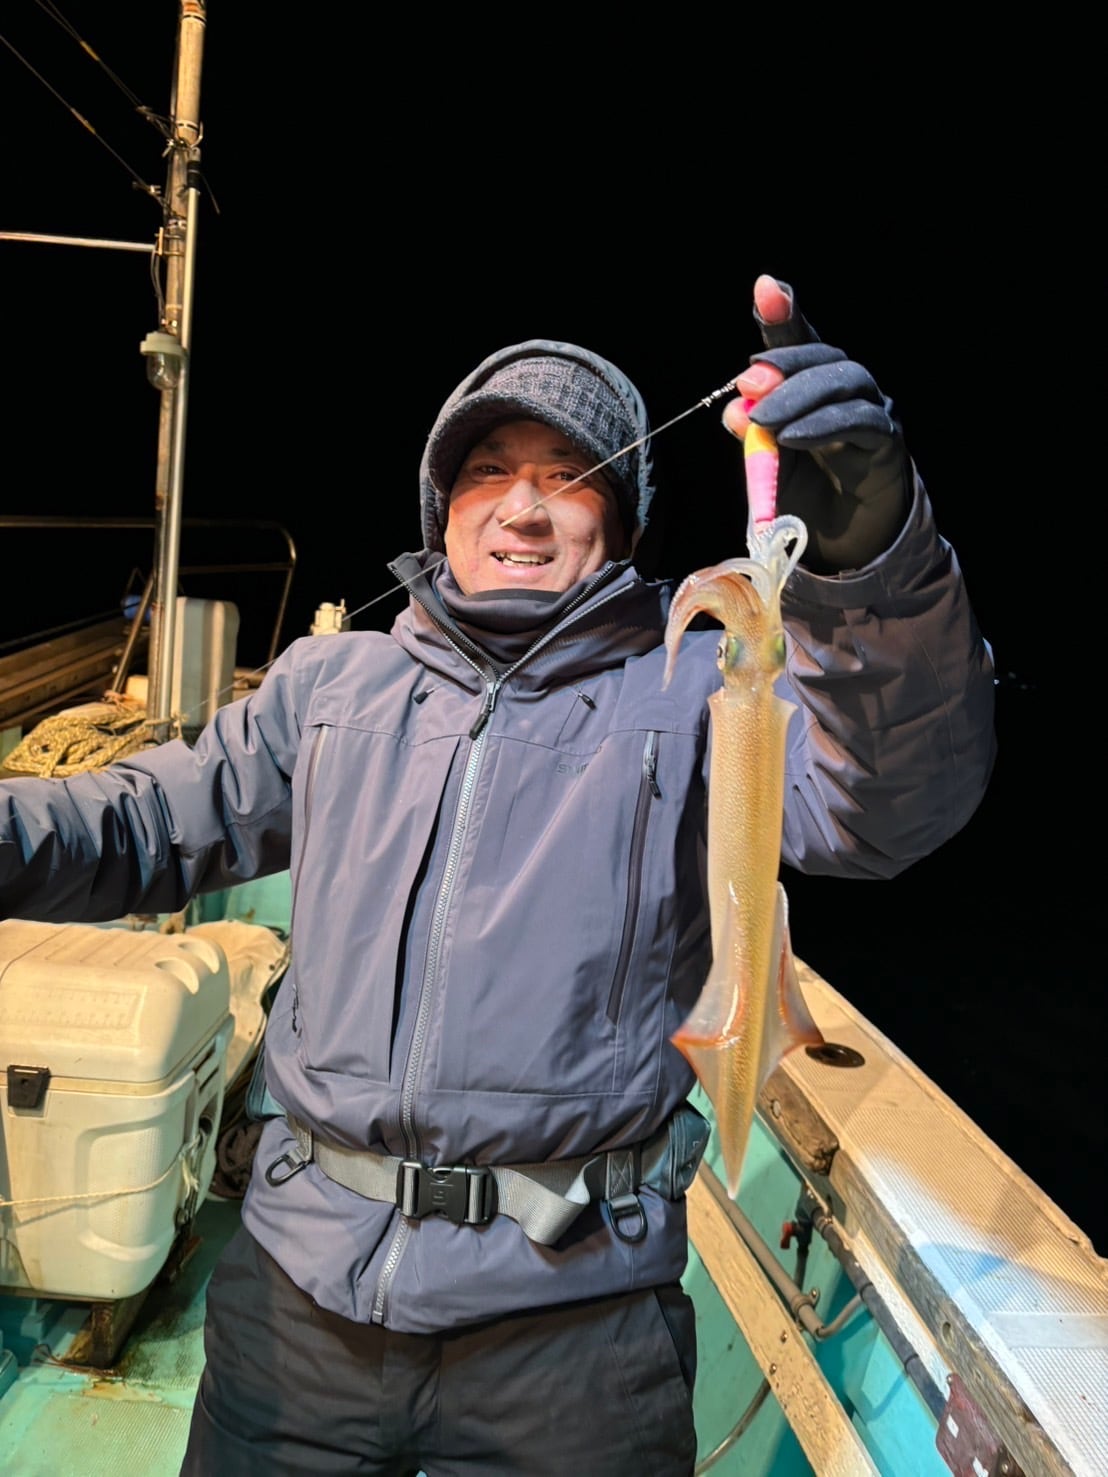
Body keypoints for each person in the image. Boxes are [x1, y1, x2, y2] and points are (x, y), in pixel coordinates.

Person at [0, 275, 997, 1475]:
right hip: (298, 1310)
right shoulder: (334, 685)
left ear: (620, 520)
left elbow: (889, 803)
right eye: (488, 470)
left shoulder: (698, 692)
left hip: (575, 1332)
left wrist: (876, 563)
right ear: (443, 509)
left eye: (568, 474)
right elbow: (139, 823)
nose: (523, 505)